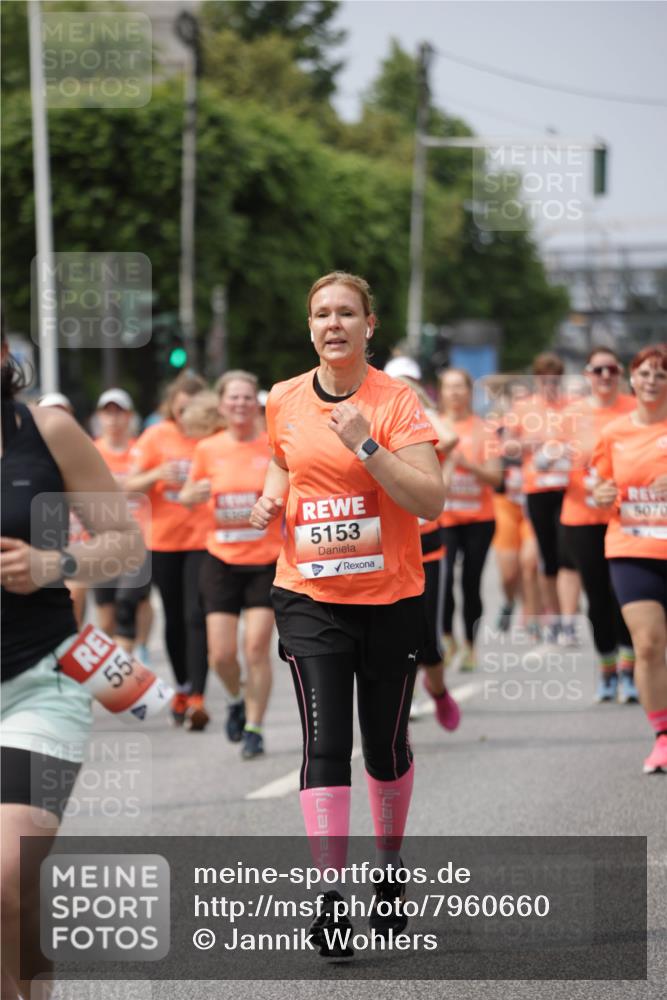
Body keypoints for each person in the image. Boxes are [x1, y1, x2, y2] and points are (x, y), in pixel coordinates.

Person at [250, 271, 444, 958]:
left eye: (346, 314)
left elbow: (429, 502)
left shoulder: (396, 402)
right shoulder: (283, 398)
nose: (333, 324)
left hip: (390, 598)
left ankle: (387, 868)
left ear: (369, 325)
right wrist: (271, 496)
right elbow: (283, 460)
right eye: (322, 314)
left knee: (384, 748)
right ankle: (330, 899)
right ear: (310, 328)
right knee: (324, 744)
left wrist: (366, 444)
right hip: (309, 595)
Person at [1, 337, 144, 1000]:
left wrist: (49, 564)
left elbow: (126, 545)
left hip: (39, 684)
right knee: (14, 902)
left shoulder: (48, 431)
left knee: (7, 874)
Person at [180, 371, 282, 758]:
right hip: (220, 559)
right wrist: (191, 493)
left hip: (265, 560)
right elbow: (187, 493)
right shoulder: (208, 448)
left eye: (246, 398)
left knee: (256, 647)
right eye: (233, 398)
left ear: (256, 404)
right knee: (221, 655)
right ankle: (236, 698)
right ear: (221, 405)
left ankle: (254, 727)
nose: (240, 404)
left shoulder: (272, 446)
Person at [592, 344, 667, 773]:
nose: (652, 381)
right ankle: (663, 736)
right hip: (631, 548)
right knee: (649, 644)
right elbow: (601, 486)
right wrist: (600, 494)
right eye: (645, 373)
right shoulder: (614, 433)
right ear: (632, 380)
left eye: (661, 375)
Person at [125, 373, 211, 730]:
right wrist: (157, 473)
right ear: (171, 405)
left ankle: (198, 697)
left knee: (195, 615)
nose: (186, 413)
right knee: (174, 618)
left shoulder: (211, 435)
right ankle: (183, 686)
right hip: (163, 540)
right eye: (181, 406)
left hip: (203, 539)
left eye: (194, 406)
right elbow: (129, 485)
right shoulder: (156, 435)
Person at [560, 349, 637, 701]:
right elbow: (551, 458)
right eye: (598, 370)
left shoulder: (634, 409)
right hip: (582, 517)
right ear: (588, 374)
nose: (605, 376)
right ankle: (607, 670)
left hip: (625, 517)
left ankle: (629, 672)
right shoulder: (572, 414)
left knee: (624, 595)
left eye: (612, 370)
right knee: (596, 596)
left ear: (620, 374)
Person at [388, 363, 460, 730]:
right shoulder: (380, 430)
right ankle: (408, 697)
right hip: (389, 547)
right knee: (395, 633)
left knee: (426, 635)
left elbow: (449, 438)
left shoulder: (426, 431)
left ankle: (439, 691)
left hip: (427, 545)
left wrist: (416, 407)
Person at [506, 352, 579, 643]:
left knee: (567, 554)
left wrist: (565, 448)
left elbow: (586, 441)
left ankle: (569, 621)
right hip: (537, 490)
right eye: (544, 380)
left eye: (555, 380)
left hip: (568, 490)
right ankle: (556, 617)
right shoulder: (524, 407)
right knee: (547, 558)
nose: (550, 386)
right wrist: (531, 443)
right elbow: (507, 446)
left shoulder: (572, 406)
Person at [438, 368, 502, 670]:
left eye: (460, 387)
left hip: (479, 519)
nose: (454, 393)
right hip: (445, 518)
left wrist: (467, 465)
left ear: (469, 392)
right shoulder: (433, 427)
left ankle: (471, 646)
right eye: (448, 387)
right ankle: (448, 638)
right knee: (444, 580)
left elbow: (496, 478)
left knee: (471, 583)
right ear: (441, 392)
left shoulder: (483, 430)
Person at [93, 388, 153, 661]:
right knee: (106, 613)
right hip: (102, 539)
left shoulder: (141, 450)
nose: (114, 419)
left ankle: (135, 651)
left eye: (119, 412)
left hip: (138, 537)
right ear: (99, 417)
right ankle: (112, 658)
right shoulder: (91, 450)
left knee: (129, 601)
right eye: (108, 412)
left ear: (129, 416)